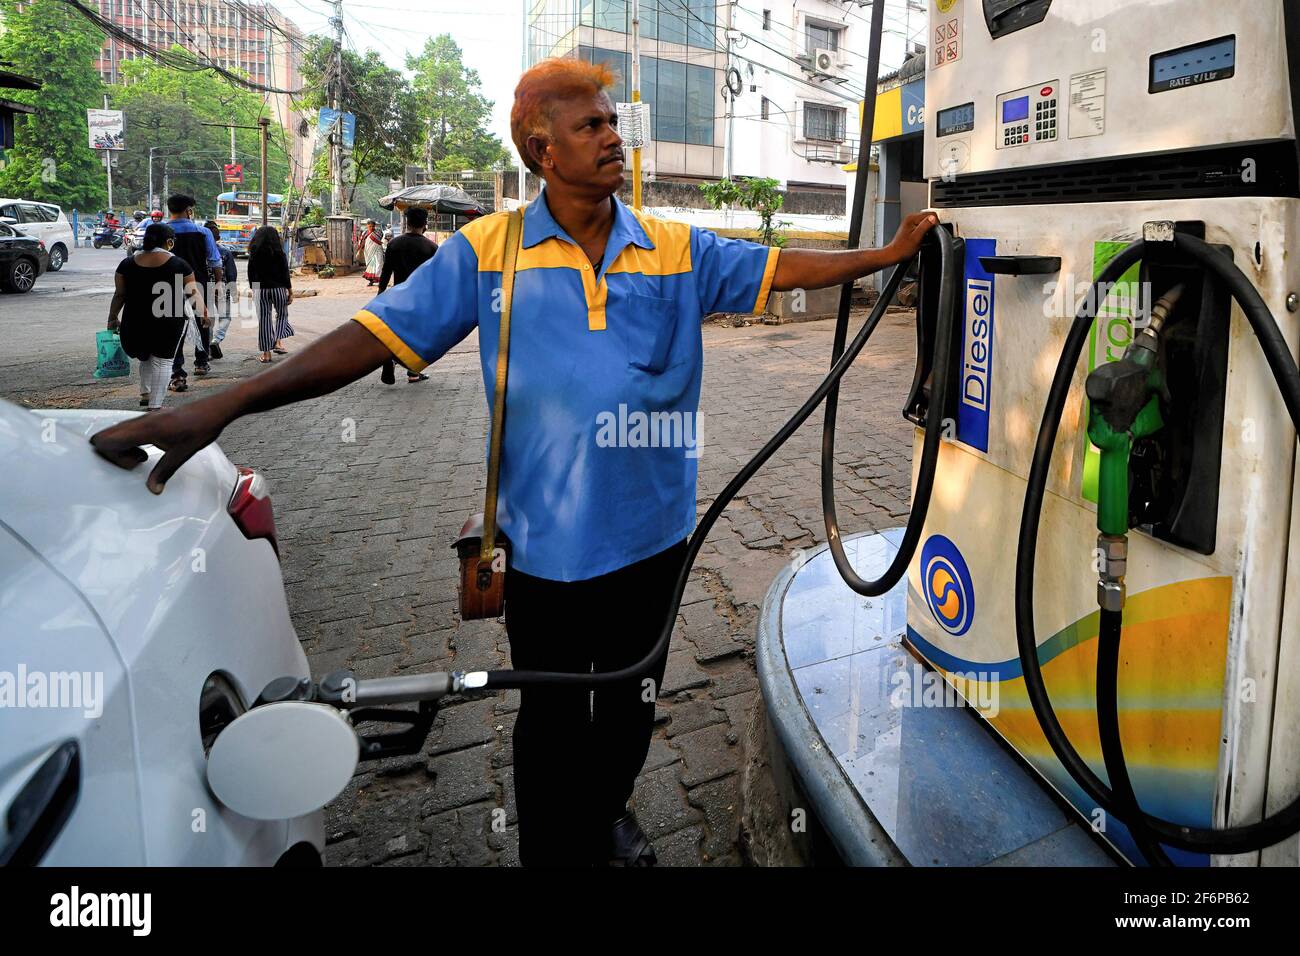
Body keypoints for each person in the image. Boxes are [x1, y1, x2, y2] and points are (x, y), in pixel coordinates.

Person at [89, 57, 938, 867]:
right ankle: (551, 848)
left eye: (613, 123)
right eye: (591, 125)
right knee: (554, 717)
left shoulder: (677, 247)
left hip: (657, 540)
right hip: (543, 552)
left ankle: (606, 811)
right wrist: (223, 403)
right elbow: (365, 339)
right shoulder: (487, 254)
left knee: (634, 708)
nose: (614, 138)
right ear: (542, 148)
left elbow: (785, 266)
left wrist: (888, 255)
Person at [106, 223, 204, 411]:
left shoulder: (126, 264)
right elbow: (193, 293)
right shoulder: (179, 264)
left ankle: (145, 394)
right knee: (163, 361)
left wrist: (112, 317)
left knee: (146, 357)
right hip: (168, 320)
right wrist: (204, 313)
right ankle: (155, 405)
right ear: (169, 242)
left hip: (134, 319)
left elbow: (119, 294)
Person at [164, 194, 224, 391]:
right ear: (189, 210)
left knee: (174, 329)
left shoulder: (160, 231)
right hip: (199, 283)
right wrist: (218, 284)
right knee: (203, 322)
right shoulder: (203, 232)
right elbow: (215, 261)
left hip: (168, 286)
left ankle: (177, 373)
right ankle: (201, 362)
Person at [376, 206, 437, 385]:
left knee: (397, 331)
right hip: (421, 299)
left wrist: (381, 293)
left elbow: (386, 271)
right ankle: (413, 372)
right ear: (425, 224)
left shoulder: (394, 244)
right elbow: (436, 277)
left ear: (407, 223)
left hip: (398, 296)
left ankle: (391, 358)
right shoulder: (431, 247)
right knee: (418, 335)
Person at [246, 225, 294, 364]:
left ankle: (266, 354)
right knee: (282, 314)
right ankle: (278, 341)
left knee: (264, 320)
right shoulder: (279, 252)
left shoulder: (254, 252)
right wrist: (290, 291)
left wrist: (253, 289)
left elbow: (251, 273)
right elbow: (285, 273)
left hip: (260, 290)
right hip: (278, 289)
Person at [204, 219, 238, 360]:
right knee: (225, 317)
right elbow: (231, 274)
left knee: (208, 320)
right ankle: (216, 341)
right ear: (218, 238)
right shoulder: (225, 252)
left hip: (203, 289)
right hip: (222, 288)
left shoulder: (199, 253)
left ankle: (207, 351)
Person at [358, 218, 384, 286]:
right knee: (370, 266)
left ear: (375, 226)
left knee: (379, 264)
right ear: (367, 226)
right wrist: (359, 251)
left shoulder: (379, 232)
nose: (371, 228)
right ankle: (371, 281)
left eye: (373, 226)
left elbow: (379, 239)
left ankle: (379, 280)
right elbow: (362, 242)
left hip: (378, 250)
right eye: (370, 226)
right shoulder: (364, 233)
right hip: (368, 251)